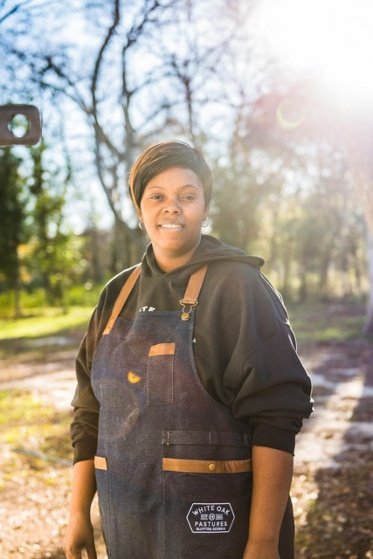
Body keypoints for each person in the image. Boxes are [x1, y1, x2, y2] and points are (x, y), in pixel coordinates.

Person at [64, 141, 313, 559]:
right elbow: (89, 413)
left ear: (205, 205)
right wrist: (77, 514)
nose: (172, 208)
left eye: (187, 196)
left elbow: (277, 415)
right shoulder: (115, 295)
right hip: (130, 534)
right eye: (156, 196)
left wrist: (262, 543)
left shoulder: (239, 287)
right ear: (139, 207)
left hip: (223, 537)